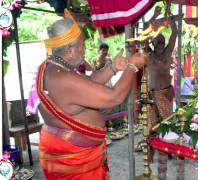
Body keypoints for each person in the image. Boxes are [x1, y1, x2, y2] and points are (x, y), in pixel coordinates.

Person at [38, 11, 144, 180]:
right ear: (69, 50)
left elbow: (87, 83)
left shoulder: (54, 66)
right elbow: (114, 97)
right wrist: (132, 66)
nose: (85, 48)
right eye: (82, 44)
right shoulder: (63, 77)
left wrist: (113, 68)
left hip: (73, 153)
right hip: (74, 160)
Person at [135, 11, 177, 152]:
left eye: (162, 41)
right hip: (151, 95)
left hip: (165, 94)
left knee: (168, 121)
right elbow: (143, 37)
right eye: (157, 41)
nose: (160, 43)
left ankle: (168, 146)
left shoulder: (167, 53)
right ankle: (151, 146)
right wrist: (154, 17)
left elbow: (174, 35)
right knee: (151, 123)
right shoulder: (149, 54)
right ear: (152, 42)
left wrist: (171, 21)